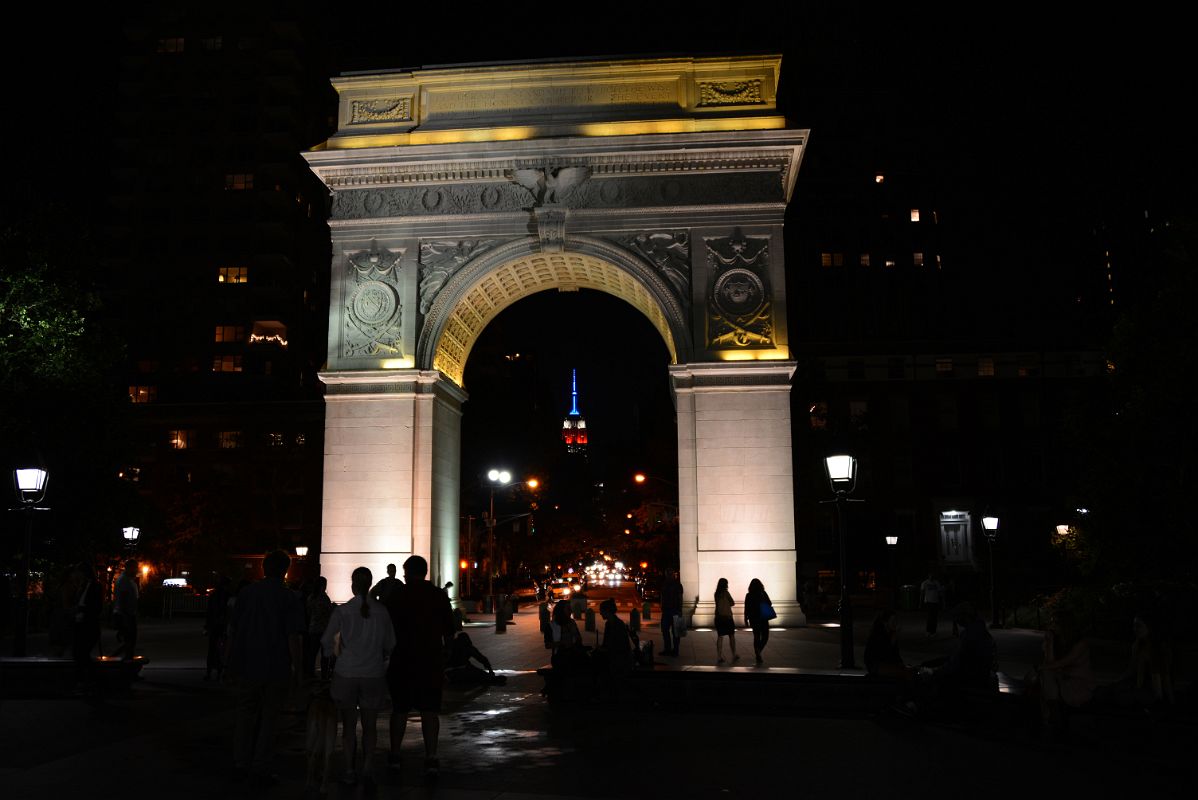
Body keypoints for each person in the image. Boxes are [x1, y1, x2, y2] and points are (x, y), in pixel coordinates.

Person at [226, 550, 306, 788]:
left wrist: (228, 662)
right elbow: (294, 637)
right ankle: (261, 767)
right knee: (270, 719)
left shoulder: (247, 593)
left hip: (247, 664)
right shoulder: (289, 598)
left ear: (263, 568)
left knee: (245, 715)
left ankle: (240, 763)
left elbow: (233, 631)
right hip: (275, 665)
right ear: (285, 571)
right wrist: (299, 670)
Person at [383, 555, 456, 778]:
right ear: (425, 572)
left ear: (406, 572)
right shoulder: (438, 596)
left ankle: (395, 754)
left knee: (399, 711)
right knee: (430, 712)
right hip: (429, 661)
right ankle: (431, 757)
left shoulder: (397, 596)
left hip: (402, 661)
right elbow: (449, 631)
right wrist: (446, 656)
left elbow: (386, 628)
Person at [322, 567, 395, 786]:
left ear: (353, 585)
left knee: (348, 726)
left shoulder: (343, 612)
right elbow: (391, 644)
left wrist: (337, 654)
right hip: (372, 672)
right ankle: (368, 767)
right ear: (371, 584)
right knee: (370, 725)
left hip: (346, 672)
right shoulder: (382, 611)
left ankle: (349, 769)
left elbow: (328, 642)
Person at [1035, 613, 1096, 729]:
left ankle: (1051, 717)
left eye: (1054, 623)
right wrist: (1050, 642)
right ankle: (1052, 716)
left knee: (1045, 676)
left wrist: (1041, 668)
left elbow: (1063, 663)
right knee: (1045, 676)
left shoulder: (1080, 644)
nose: (1051, 626)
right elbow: (1050, 663)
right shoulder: (1057, 640)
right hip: (1061, 681)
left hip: (1078, 685)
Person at [71, 563, 102, 694]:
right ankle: (86, 681)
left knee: (81, 653)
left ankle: (88, 681)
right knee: (79, 653)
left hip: (88, 625)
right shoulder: (83, 586)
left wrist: (81, 609)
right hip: (81, 623)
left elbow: (96, 607)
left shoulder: (94, 587)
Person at [864, 610, 913, 682]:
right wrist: (893, 639)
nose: (895, 624)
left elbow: (896, 654)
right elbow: (884, 654)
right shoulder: (878, 634)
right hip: (876, 665)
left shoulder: (891, 633)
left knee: (909, 671)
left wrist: (901, 664)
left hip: (885, 663)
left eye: (896, 621)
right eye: (893, 621)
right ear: (885, 622)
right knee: (905, 673)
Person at [597, 598, 634, 686]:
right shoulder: (611, 623)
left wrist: (602, 649)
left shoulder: (616, 625)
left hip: (619, 660)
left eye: (601, 611)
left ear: (607, 611)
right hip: (616, 656)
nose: (600, 613)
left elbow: (615, 646)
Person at [306, 576, 335, 680]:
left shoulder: (311, 597)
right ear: (323, 585)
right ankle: (324, 675)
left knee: (312, 653)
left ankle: (310, 674)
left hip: (313, 628)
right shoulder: (324, 598)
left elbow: (309, 612)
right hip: (324, 629)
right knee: (325, 653)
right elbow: (329, 613)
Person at [205, 575, 232, 681]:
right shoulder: (227, 595)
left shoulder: (214, 595)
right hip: (222, 626)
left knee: (212, 649)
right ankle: (219, 672)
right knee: (221, 650)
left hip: (214, 625)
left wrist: (207, 625)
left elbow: (209, 612)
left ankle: (210, 672)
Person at [111, 559, 140, 660]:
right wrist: (126, 616)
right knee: (129, 640)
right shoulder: (124, 581)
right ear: (129, 568)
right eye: (135, 568)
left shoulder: (127, 580)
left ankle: (121, 658)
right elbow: (123, 599)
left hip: (127, 614)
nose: (137, 570)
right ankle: (126, 663)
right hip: (126, 615)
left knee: (128, 641)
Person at [744, 578, 772, 665]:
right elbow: (769, 603)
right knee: (765, 636)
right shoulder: (762, 593)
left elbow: (746, 608)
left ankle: (757, 652)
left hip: (753, 618)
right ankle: (758, 651)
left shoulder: (748, 595)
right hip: (763, 618)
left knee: (756, 636)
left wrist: (745, 619)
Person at [713, 578, 739, 663]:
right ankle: (734, 654)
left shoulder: (716, 594)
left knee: (720, 637)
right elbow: (732, 602)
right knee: (731, 636)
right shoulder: (726, 593)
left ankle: (719, 656)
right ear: (726, 585)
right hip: (727, 618)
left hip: (719, 618)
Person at [660, 569, 683, 657]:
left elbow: (680, 598)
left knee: (670, 631)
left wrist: (680, 610)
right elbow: (680, 598)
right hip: (671, 610)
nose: (669, 575)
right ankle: (672, 650)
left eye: (670, 574)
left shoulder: (669, 584)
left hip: (671, 610)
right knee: (672, 632)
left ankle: (670, 649)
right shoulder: (674, 584)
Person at [920, 573, 944, 638]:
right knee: (930, 617)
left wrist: (942, 602)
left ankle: (933, 631)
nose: (931, 576)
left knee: (934, 617)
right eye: (930, 575)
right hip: (928, 602)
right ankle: (928, 631)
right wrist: (921, 602)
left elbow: (940, 592)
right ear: (928, 576)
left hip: (935, 602)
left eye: (932, 575)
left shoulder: (937, 583)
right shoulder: (924, 583)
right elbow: (922, 593)